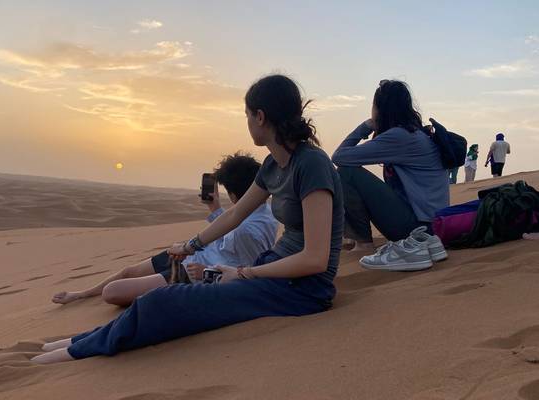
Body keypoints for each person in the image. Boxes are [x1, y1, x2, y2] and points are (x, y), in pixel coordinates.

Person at [31, 74, 344, 364]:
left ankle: (78, 350)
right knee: (175, 295)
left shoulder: (311, 164)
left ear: (260, 117)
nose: (247, 122)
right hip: (272, 269)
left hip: (301, 290)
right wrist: (190, 245)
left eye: (247, 115)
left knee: (164, 301)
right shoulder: (273, 165)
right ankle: (84, 340)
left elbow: (315, 259)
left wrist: (245, 273)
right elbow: (235, 213)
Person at [51, 152, 278, 307]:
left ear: (234, 195)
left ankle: (160, 298)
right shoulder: (252, 212)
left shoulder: (254, 229)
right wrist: (215, 208)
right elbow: (226, 234)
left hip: (191, 274)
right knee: (127, 272)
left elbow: (249, 271)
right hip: (191, 255)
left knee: (112, 292)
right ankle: (81, 294)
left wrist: (210, 274)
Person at [331, 79, 448, 271]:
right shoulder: (415, 134)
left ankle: (363, 243)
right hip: (431, 227)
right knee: (348, 172)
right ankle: (356, 238)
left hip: (417, 229)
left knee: (346, 173)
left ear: (380, 108)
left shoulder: (400, 136)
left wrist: (366, 126)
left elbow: (340, 157)